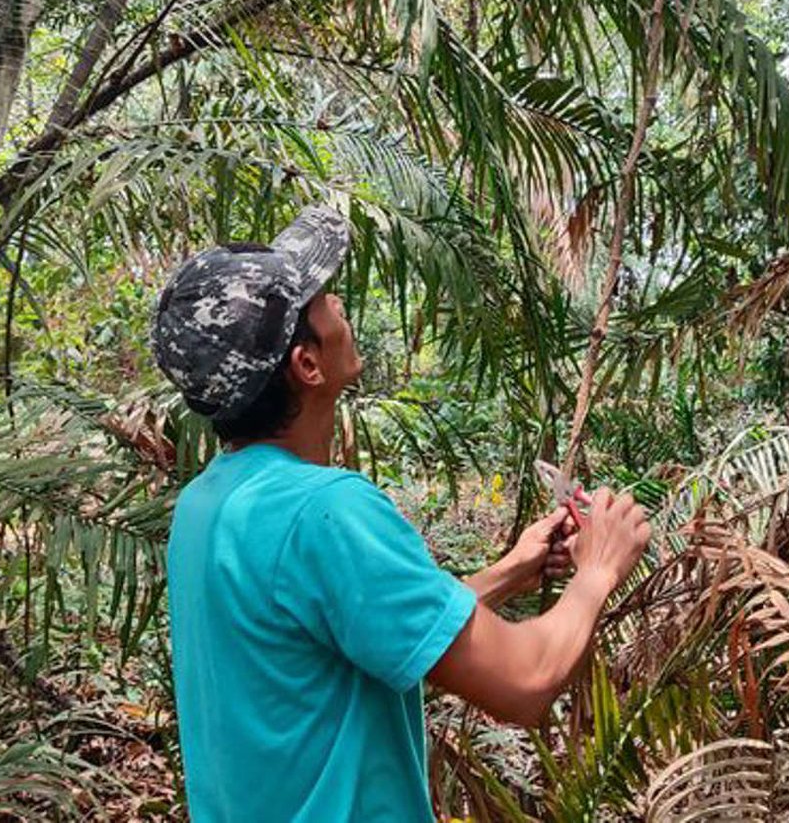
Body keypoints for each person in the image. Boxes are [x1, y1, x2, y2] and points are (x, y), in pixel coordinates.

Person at [151, 205, 651, 822]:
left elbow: (367, 633)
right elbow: (526, 681)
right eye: (320, 299)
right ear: (306, 365)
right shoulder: (327, 511)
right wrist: (599, 569)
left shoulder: (205, 506)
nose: (338, 306)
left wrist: (508, 572)